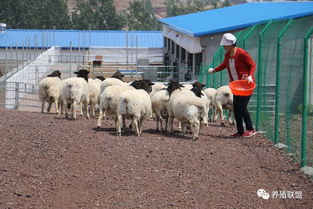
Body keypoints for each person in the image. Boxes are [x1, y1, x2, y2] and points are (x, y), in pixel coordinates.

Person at [208, 33, 256, 137]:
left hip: (246, 85)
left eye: (225, 45)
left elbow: (252, 64)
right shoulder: (227, 55)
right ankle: (240, 131)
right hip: (236, 86)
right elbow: (224, 65)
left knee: (242, 107)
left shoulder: (242, 53)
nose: (224, 47)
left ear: (232, 44)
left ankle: (250, 129)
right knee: (236, 108)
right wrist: (214, 70)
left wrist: (250, 76)